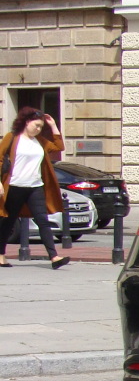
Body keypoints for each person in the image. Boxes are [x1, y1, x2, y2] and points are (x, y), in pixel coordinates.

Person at [0, 107, 70, 269]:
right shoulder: (12, 138)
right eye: (36, 125)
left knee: (43, 221)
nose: (38, 129)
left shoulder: (40, 141)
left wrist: (53, 126)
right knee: (8, 222)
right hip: (15, 186)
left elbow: (58, 147)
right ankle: (1, 255)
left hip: (35, 187)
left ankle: (54, 257)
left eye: (40, 127)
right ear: (26, 122)